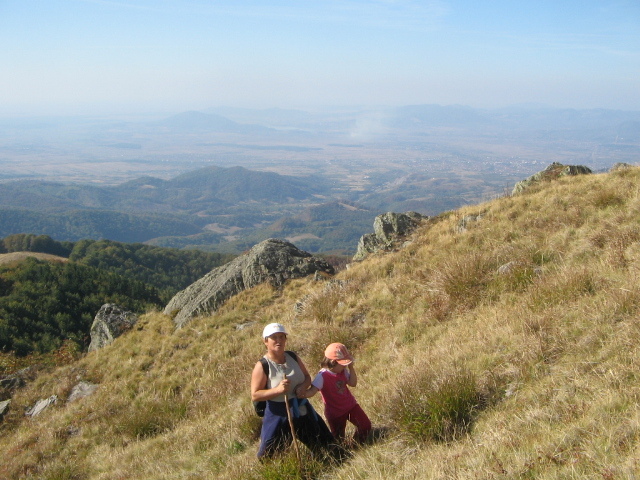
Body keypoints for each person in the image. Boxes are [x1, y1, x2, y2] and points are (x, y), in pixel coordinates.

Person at [251, 323, 336, 459]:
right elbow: (255, 395)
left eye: (282, 337)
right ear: (265, 341)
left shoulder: (292, 356)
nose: (279, 340)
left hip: (301, 408)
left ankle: (323, 462)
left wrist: (303, 387)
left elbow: (307, 377)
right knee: (269, 455)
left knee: (325, 443)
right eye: (274, 337)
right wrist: (277, 390)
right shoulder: (263, 366)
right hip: (278, 414)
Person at [302, 342, 372, 444]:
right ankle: (344, 451)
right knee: (338, 439)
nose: (345, 366)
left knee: (365, 425)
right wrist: (302, 393)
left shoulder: (343, 371)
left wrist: (351, 368)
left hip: (351, 406)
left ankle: (355, 445)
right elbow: (312, 391)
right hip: (335, 413)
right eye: (343, 364)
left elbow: (353, 383)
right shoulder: (322, 376)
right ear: (332, 362)